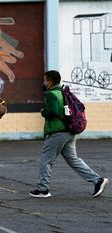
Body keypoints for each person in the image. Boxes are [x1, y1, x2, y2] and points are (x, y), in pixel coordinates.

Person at [30, 70, 109, 198]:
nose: (43, 83)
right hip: (69, 131)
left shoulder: (51, 94)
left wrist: (44, 111)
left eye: (44, 80)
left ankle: (42, 189)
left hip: (57, 132)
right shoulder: (63, 92)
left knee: (46, 160)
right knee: (74, 160)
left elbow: (53, 111)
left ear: (49, 82)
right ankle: (98, 181)